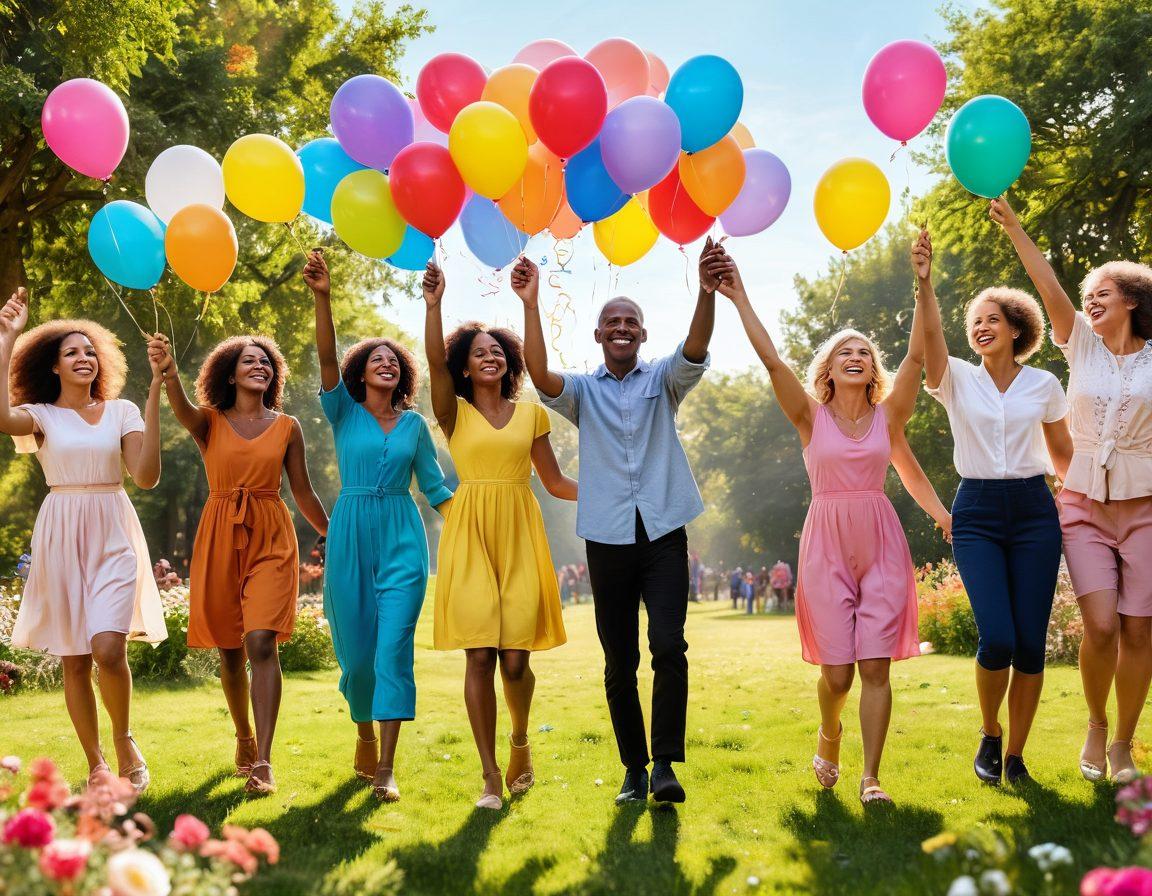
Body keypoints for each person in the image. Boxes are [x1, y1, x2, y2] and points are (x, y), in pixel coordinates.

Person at [721, 248, 950, 805]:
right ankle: (830, 732)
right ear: (828, 368)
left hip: (880, 540)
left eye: (865, 353)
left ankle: (871, 777)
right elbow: (774, 362)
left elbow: (918, 360)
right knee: (840, 677)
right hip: (825, 544)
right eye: (845, 351)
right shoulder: (809, 415)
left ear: (873, 369)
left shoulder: (889, 416)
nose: (857, 356)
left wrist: (923, 284)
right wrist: (739, 297)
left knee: (875, 666)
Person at [514, 238, 727, 806]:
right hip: (607, 538)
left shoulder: (663, 380)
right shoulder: (583, 392)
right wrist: (531, 304)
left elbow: (697, 345)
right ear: (599, 334)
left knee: (668, 645)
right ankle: (633, 767)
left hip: (663, 535)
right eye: (613, 321)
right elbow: (539, 374)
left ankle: (664, 766)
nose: (623, 327)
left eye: (632, 320)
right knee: (620, 660)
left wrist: (706, 290)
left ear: (643, 334)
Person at [992, 196, 1152, 784]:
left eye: (1104, 293)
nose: (1092, 302)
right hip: (1083, 503)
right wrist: (1016, 230)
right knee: (1103, 625)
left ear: (1132, 301)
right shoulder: (1080, 345)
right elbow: (1049, 285)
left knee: (1140, 628)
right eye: (1090, 297)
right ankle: (1096, 724)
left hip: (1146, 507)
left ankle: (1126, 744)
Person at [914, 228, 1070, 785]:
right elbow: (930, 345)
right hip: (976, 510)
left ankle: (1017, 757)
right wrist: (925, 285)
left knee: (1030, 645)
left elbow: (1063, 454)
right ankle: (990, 732)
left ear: (1016, 329)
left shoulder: (1045, 385)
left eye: (991, 319)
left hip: (1034, 510)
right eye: (974, 321)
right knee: (997, 637)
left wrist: (1083, 505)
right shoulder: (954, 379)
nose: (980, 327)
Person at [422, 262, 575, 811]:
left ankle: (519, 742)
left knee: (515, 661)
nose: (491, 356)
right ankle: (489, 776)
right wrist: (433, 305)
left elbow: (555, 483)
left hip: (519, 532)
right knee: (480, 658)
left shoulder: (531, 413)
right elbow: (433, 364)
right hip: (469, 534)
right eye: (479, 351)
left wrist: (617, 493)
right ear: (464, 366)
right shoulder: (452, 413)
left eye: (498, 351)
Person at [0, 289, 166, 791]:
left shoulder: (122, 411)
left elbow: (146, 477)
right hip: (61, 528)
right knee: (75, 657)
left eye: (90, 350)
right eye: (71, 352)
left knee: (108, 648)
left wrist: (157, 390)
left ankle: (123, 739)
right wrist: (6, 337)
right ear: (53, 366)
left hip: (113, 526)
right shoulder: (40, 416)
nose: (84, 357)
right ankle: (95, 764)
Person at [303, 250, 452, 802]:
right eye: (376, 358)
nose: (387, 363)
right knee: (358, 654)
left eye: (394, 359)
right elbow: (323, 359)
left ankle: (387, 767)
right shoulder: (341, 412)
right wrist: (323, 297)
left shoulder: (415, 424)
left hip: (401, 537)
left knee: (392, 648)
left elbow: (435, 487)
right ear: (360, 370)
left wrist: (471, 519)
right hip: (348, 536)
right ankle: (362, 729)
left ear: (401, 373)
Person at [150, 333, 328, 795]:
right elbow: (183, 408)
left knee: (261, 642)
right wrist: (169, 372)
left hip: (271, 535)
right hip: (219, 534)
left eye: (267, 362)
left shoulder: (288, 426)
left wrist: (335, 532)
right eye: (250, 361)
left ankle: (264, 762)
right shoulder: (209, 422)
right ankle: (244, 738)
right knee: (230, 650)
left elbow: (303, 492)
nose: (261, 367)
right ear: (230, 373)